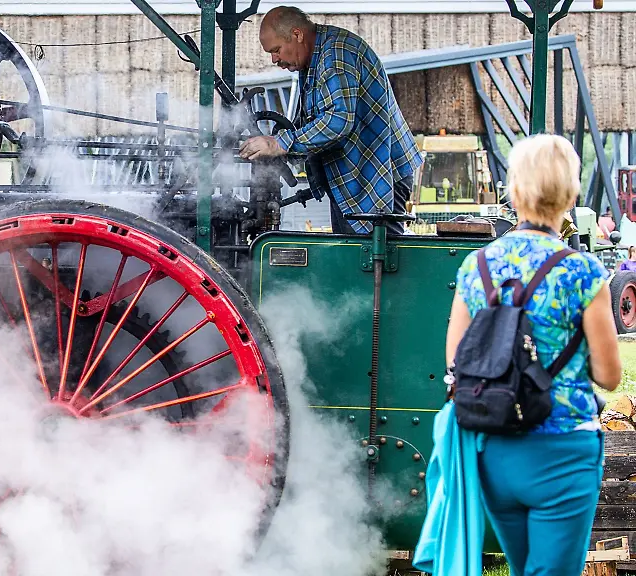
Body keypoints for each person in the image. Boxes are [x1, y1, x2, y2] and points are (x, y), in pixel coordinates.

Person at [444, 133, 621, 576]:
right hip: (563, 453)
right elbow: (609, 375)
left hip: (495, 451)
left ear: (515, 188)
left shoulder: (478, 266)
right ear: (569, 191)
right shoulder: (582, 272)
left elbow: (454, 363)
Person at [239, 6, 422, 235]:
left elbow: (338, 120)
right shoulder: (314, 59)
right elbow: (313, 120)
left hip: (377, 172)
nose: (275, 59)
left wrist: (278, 144)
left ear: (297, 35)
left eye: (277, 50)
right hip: (355, 175)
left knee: (372, 261)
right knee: (351, 259)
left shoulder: (336, 55)